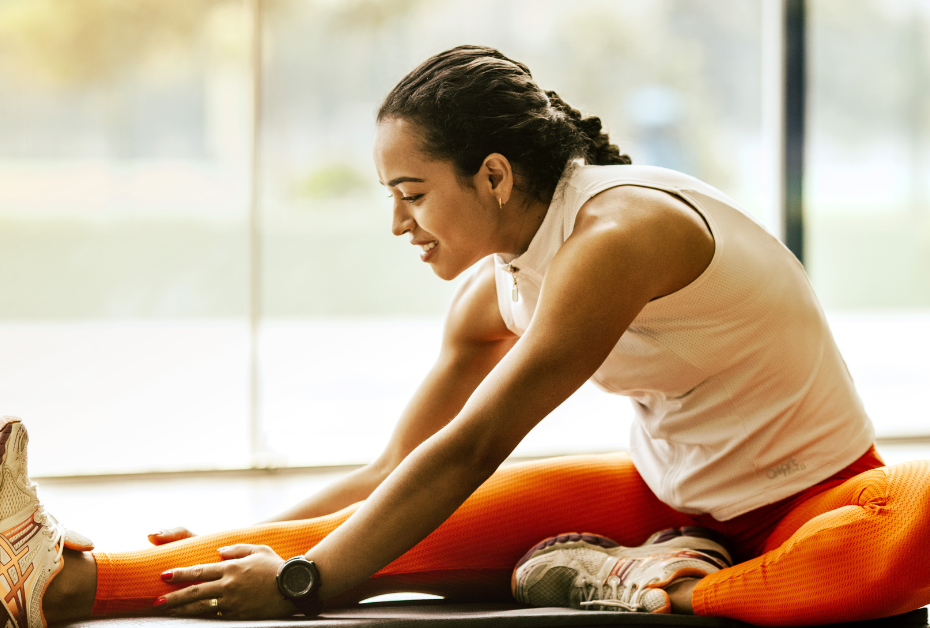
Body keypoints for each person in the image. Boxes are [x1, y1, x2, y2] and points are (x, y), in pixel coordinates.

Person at [6, 45, 929, 628]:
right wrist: (253, 542)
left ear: (492, 175)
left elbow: (476, 445)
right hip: (666, 500)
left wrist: (303, 583)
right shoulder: (496, 289)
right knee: (363, 538)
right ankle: (51, 581)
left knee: (914, 522)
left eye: (413, 194)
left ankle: (666, 586)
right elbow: (394, 470)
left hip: (817, 501)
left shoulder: (619, 237)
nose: (399, 224)